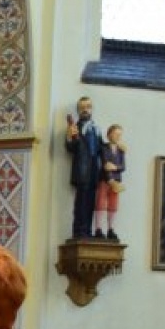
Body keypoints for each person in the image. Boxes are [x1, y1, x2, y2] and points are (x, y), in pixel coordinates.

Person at [65, 96, 102, 240]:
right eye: (82, 107)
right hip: (81, 170)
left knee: (91, 203)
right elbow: (71, 147)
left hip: (93, 171)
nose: (85, 109)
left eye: (88, 106)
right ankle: (79, 231)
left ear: (91, 109)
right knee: (81, 203)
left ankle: (87, 230)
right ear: (78, 110)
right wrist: (69, 137)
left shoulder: (96, 129)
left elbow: (100, 149)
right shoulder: (75, 127)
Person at [94, 123, 126, 240]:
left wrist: (115, 167)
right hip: (105, 180)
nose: (118, 137)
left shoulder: (121, 150)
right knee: (101, 203)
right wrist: (109, 179)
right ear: (109, 135)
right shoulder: (104, 148)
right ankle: (98, 228)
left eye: (119, 135)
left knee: (113, 205)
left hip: (116, 181)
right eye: (115, 134)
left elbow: (123, 166)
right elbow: (105, 165)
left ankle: (111, 229)